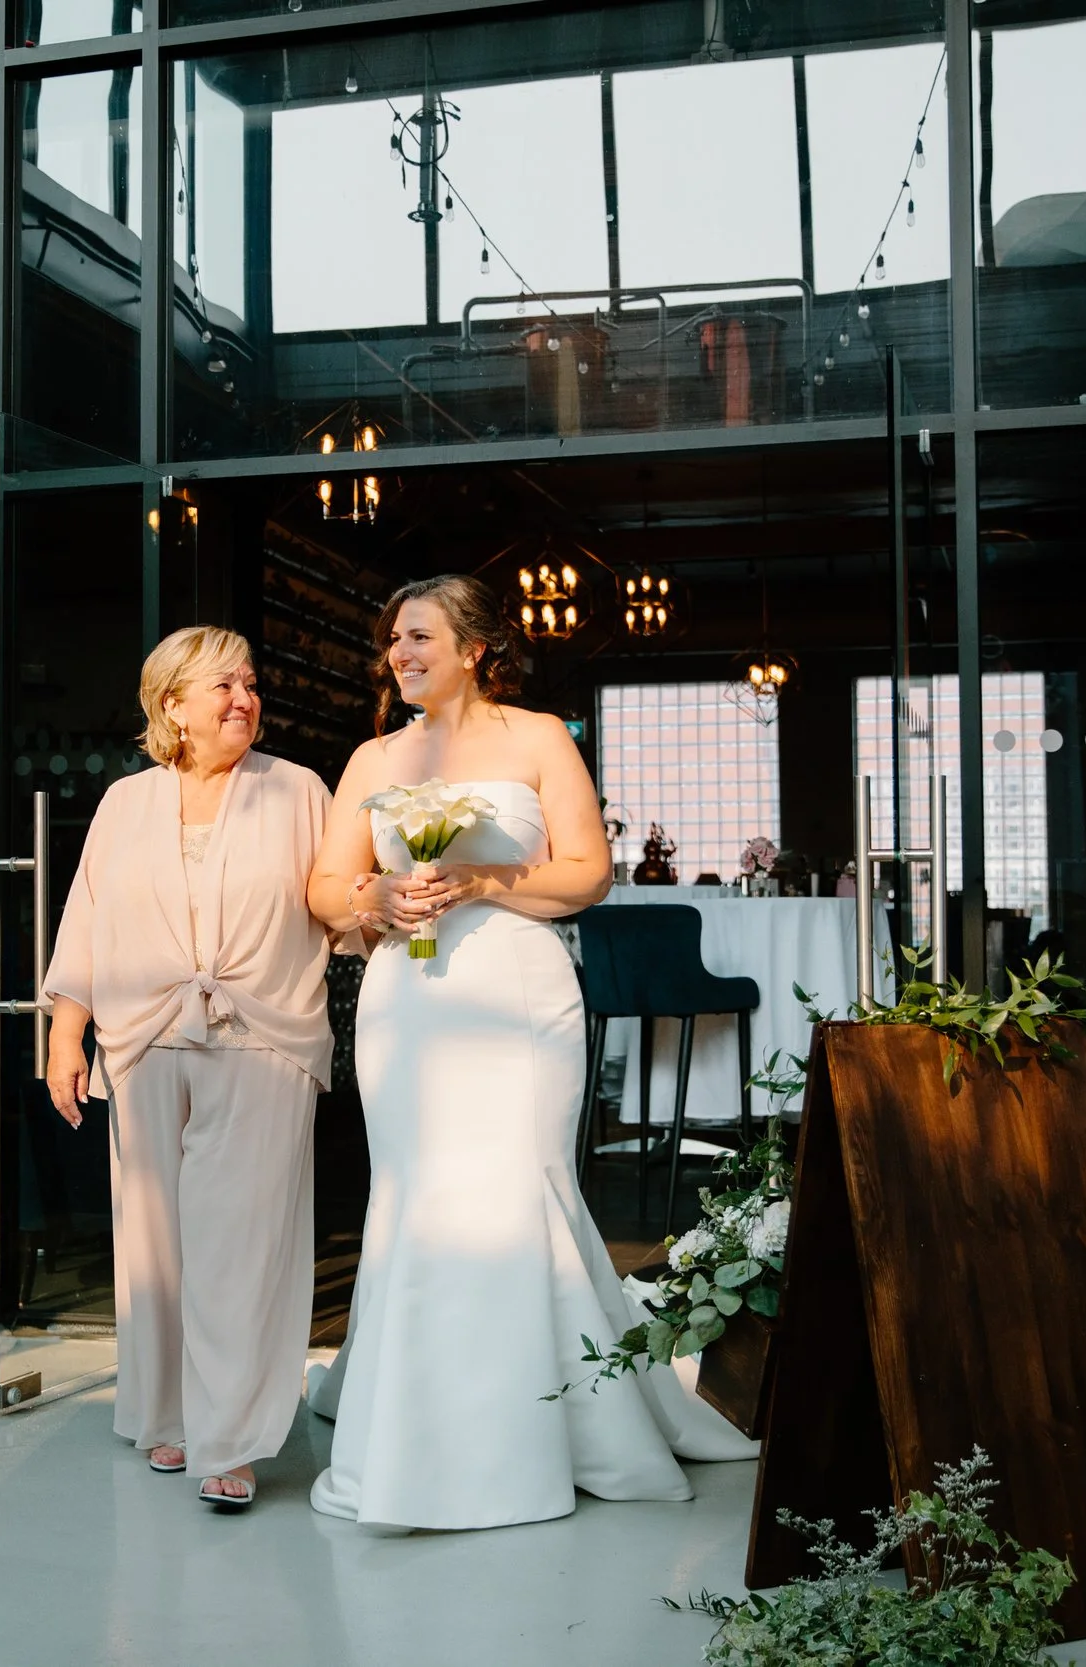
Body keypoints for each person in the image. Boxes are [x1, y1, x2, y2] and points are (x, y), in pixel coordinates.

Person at [304, 574, 757, 1532]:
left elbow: (587, 871)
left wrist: (481, 877)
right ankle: (413, 1426)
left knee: (520, 1185)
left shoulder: (539, 736)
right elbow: (323, 885)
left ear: (474, 647)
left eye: (420, 635)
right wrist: (372, 901)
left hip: (518, 995)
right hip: (408, 1002)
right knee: (418, 1192)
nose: (402, 652)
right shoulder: (371, 754)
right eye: (393, 639)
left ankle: (555, 1425)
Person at [40, 626, 339, 1511]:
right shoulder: (128, 802)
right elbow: (86, 916)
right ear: (172, 703)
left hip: (263, 1036)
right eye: (222, 685)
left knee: (241, 1244)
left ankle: (233, 1437)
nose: (244, 698)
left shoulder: (298, 790)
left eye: (250, 683)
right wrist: (67, 1036)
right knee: (156, 1246)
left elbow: (335, 899)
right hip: (142, 1038)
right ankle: (168, 1413)